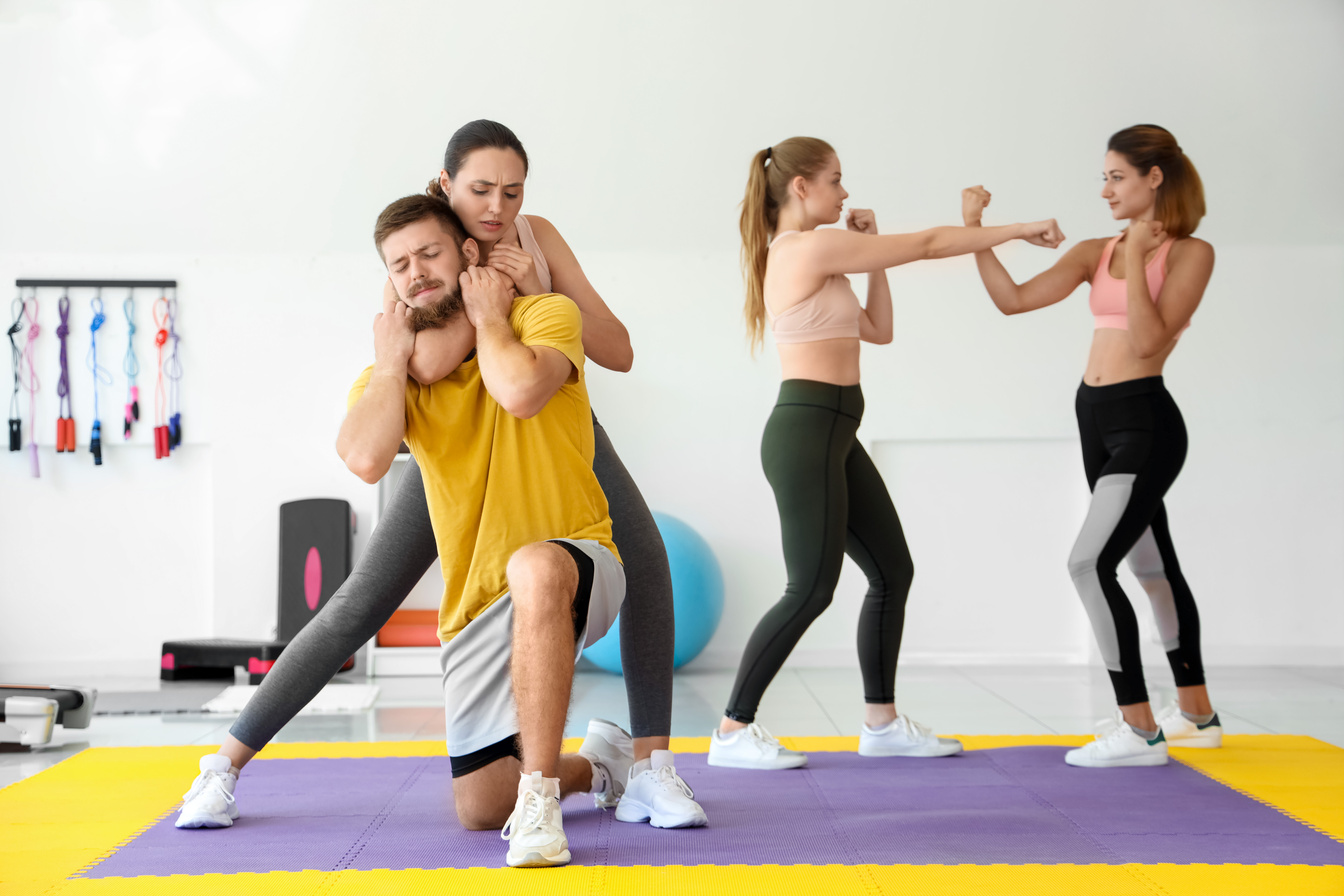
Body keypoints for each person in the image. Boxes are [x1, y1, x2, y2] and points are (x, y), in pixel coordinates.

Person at [175, 121, 701, 834]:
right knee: (360, 603)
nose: (498, 205)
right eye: (481, 189)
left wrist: (538, 288)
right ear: (446, 185)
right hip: (454, 440)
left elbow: (620, 349)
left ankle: (651, 768)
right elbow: (420, 362)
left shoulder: (532, 235)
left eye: (512, 191)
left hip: (539, 417)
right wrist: (490, 294)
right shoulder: (423, 244)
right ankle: (225, 764)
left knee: (647, 559)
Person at [709, 137, 1064, 770]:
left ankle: (881, 723)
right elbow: (927, 245)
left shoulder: (825, 257)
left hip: (834, 434)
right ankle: (733, 731)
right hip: (807, 431)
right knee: (811, 588)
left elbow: (879, 331)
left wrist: (872, 258)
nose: (845, 194)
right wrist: (1014, 230)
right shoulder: (803, 248)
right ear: (801, 188)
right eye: (836, 181)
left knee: (891, 572)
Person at [961, 124, 1218, 768]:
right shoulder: (1091, 251)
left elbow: (1151, 341)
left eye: (1116, 176)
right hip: (1094, 419)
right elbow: (1012, 301)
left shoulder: (1190, 253)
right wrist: (974, 231)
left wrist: (1134, 256)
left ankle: (1139, 730)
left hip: (1146, 422)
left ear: (1153, 178)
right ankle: (1197, 714)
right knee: (1151, 570)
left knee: (1087, 564)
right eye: (1103, 177)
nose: (1104, 189)